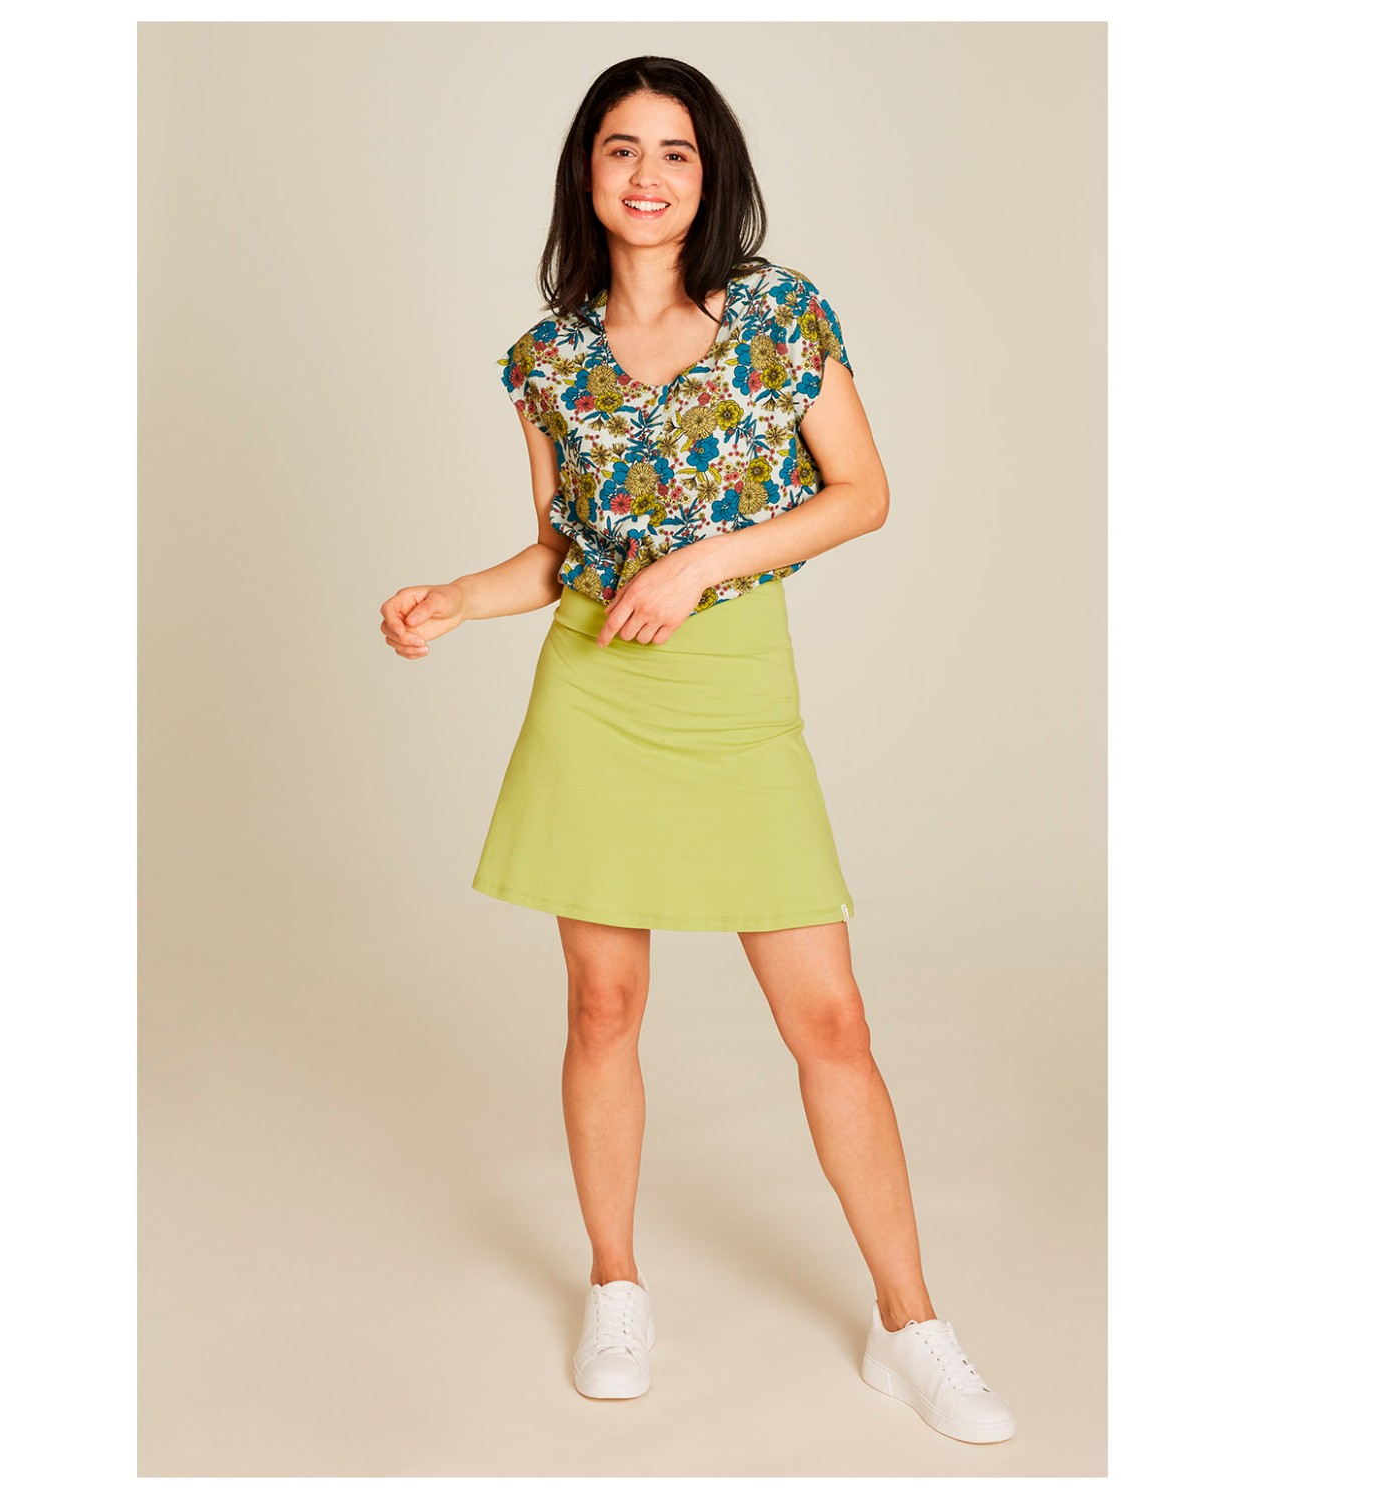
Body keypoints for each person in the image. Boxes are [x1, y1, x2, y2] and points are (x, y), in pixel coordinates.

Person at [380, 56, 1015, 1445]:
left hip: (731, 685)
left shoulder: (781, 314)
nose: (649, 175)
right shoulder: (546, 360)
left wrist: (703, 562)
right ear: (588, 173)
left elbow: (863, 492)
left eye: (676, 151)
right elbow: (562, 554)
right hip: (595, 689)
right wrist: (455, 599)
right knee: (603, 1006)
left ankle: (911, 1325)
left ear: (710, 173)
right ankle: (616, 1286)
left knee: (831, 1021)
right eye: (622, 149)